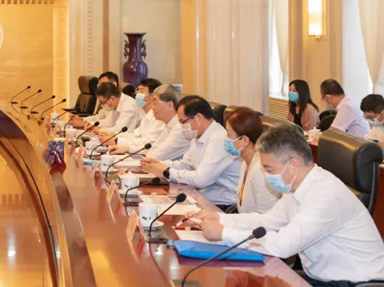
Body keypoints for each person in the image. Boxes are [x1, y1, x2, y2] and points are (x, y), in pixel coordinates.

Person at [198, 126, 384, 285]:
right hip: (320, 279)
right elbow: (268, 221)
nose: (266, 176)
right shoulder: (296, 187)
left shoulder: (325, 195)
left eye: (269, 169)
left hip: (355, 282)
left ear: (294, 164)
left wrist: (224, 233)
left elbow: (283, 246)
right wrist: (221, 218)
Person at [141, 95, 240, 208]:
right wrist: (159, 164)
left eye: (183, 122)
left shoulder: (218, 140)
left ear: (198, 118)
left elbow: (201, 179)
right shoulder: (198, 136)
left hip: (220, 205)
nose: (181, 127)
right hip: (200, 197)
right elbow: (186, 164)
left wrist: (167, 172)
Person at [223, 107, 280, 213]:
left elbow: (264, 216)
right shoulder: (245, 162)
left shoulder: (260, 171)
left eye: (229, 134)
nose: (226, 138)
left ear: (244, 140)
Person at [103, 78, 165, 151]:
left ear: (152, 96)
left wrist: (117, 141)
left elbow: (147, 143)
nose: (137, 94)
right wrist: (114, 135)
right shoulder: (147, 115)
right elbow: (135, 135)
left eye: (141, 90)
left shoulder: (158, 117)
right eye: (137, 90)